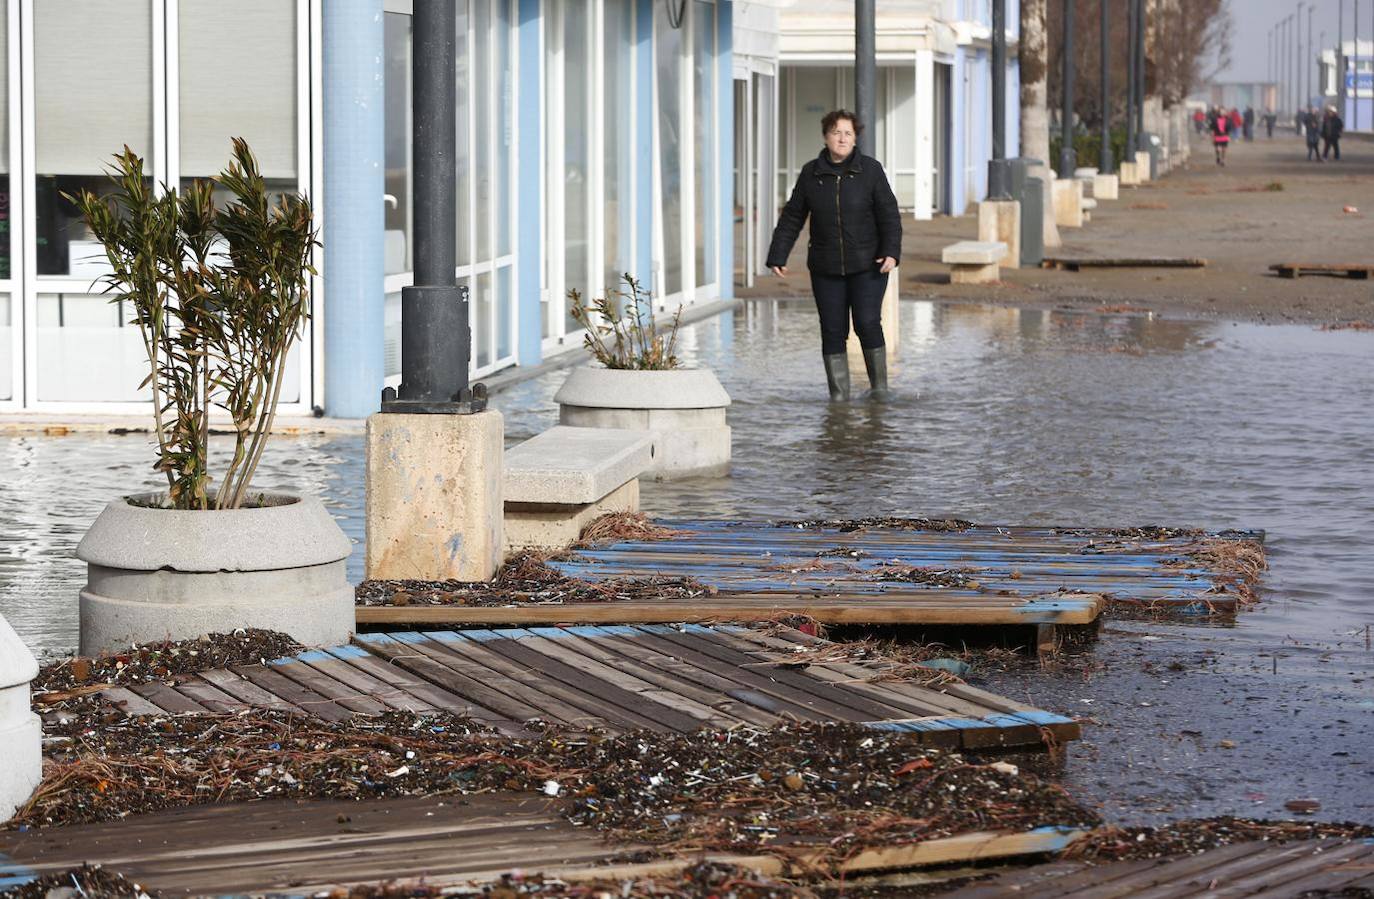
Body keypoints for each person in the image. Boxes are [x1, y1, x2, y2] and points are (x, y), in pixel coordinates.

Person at [767, 109, 901, 402]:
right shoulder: (810, 174)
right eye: (836, 132)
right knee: (832, 330)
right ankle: (839, 399)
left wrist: (891, 251)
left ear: (855, 138)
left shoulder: (871, 170)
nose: (842, 138)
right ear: (826, 137)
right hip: (826, 267)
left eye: (848, 133)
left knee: (866, 322)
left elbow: (889, 214)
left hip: (869, 264)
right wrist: (778, 254)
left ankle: (879, 390)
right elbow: (793, 216)